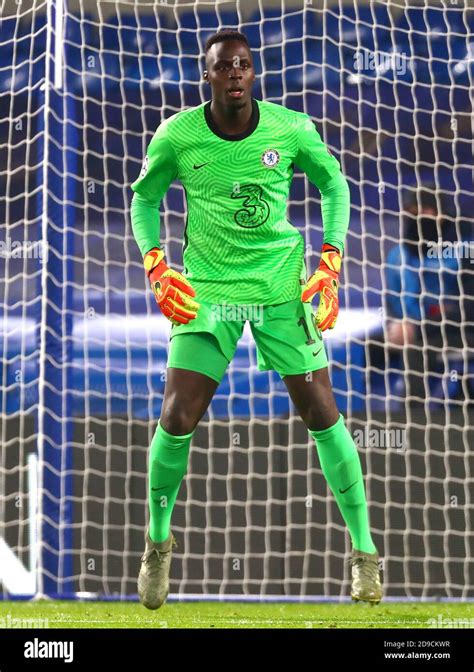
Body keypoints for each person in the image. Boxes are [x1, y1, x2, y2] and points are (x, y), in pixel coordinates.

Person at [130, 29, 382, 609]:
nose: (238, 74)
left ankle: (365, 553)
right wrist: (157, 266)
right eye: (226, 66)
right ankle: (158, 545)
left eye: (245, 64)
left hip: (278, 290)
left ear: (253, 72)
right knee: (176, 414)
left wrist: (331, 261)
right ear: (208, 76)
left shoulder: (291, 128)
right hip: (209, 293)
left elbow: (333, 183)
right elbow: (145, 198)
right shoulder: (177, 136)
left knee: (322, 410)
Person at [384, 188, 465, 406]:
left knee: (416, 350)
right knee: (365, 347)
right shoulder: (398, 255)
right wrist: (395, 324)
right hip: (411, 328)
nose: (418, 217)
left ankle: (416, 423)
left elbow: (465, 310)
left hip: (456, 331)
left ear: (441, 214)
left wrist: (418, 327)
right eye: (412, 212)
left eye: (425, 211)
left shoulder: (463, 250)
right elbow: (391, 302)